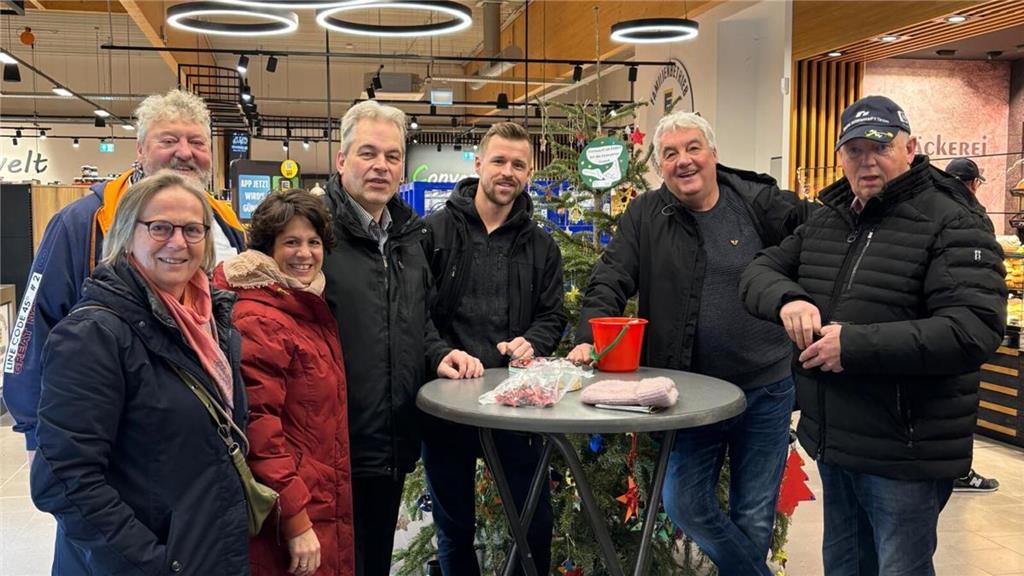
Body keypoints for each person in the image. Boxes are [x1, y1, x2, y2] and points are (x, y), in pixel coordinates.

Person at [740, 95, 1006, 575]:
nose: (867, 160)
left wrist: (855, 346)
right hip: (835, 441)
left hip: (904, 447)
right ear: (840, 156)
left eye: (880, 146)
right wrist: (788, 299)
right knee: (844, 566)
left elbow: (974, 329)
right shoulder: (830, 218)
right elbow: (758, 269)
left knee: (898, 567)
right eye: (854, 149)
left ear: (910, 147)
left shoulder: (952, 219)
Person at [566, 112, 813, 576]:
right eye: (670, 154)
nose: (684, 161)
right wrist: (588, 338)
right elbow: (610, 277)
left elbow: (818, 245)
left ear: (714, 154)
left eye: (693, 148)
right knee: (683, 501)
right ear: (660, 166)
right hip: (690, 393)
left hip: (767, 386)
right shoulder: (646, 214)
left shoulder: (759, 204)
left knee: (755, 513)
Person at [3, 89, 246, 462]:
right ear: (140, 150)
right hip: (114, 440)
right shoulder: (82, 224)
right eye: (169, 140)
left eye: (197, 141)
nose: (184, 152)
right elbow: (35, 328)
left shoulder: (225, 225)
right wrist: (36, 434)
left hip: (204, 435)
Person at [30, 170, 250, 575]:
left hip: (205, 550)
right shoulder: (94, 334)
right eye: (160, 227)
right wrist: (154, 563)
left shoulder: (212, 323)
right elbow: (63, 480)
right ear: (128, 234)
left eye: (192, 229)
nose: (178, 242)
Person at [321, 100, 483, 576]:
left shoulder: (408, 239)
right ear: (341, 159)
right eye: (367, 153)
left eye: (392, 156)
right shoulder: (314, 235)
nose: (381, 166)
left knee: (373, 562)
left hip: (388, 442)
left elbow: (418, 323)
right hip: (328, 448)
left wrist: (440, 355)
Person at [421, 122, 566, 575]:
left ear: (529, 173)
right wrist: (440, 352)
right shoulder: (432, 234)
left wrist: (535, 341)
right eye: (499, 161)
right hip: (446, 404)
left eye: (518, 164)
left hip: (517, 403)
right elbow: (412, 315)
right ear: (479, 163)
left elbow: (552, 315)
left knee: (534, 522)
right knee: (454, 527)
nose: (508, 171)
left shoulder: (542, 245)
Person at [214, 189, 355, 576]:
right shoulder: (262, 317)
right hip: (292, 504)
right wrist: (295, 518)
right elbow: (259, 429)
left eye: (313, 242)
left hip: (317, 491)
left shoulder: (301, 304)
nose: (304, 254)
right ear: (267, 248)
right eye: (290, 242)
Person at [944, 156, 1001, 494]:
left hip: (937, 321)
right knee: (960, 401)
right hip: (963, 323)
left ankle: (950, 470)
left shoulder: (926, 207)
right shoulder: (973, 215)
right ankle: (959, 472)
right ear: (971, 183)